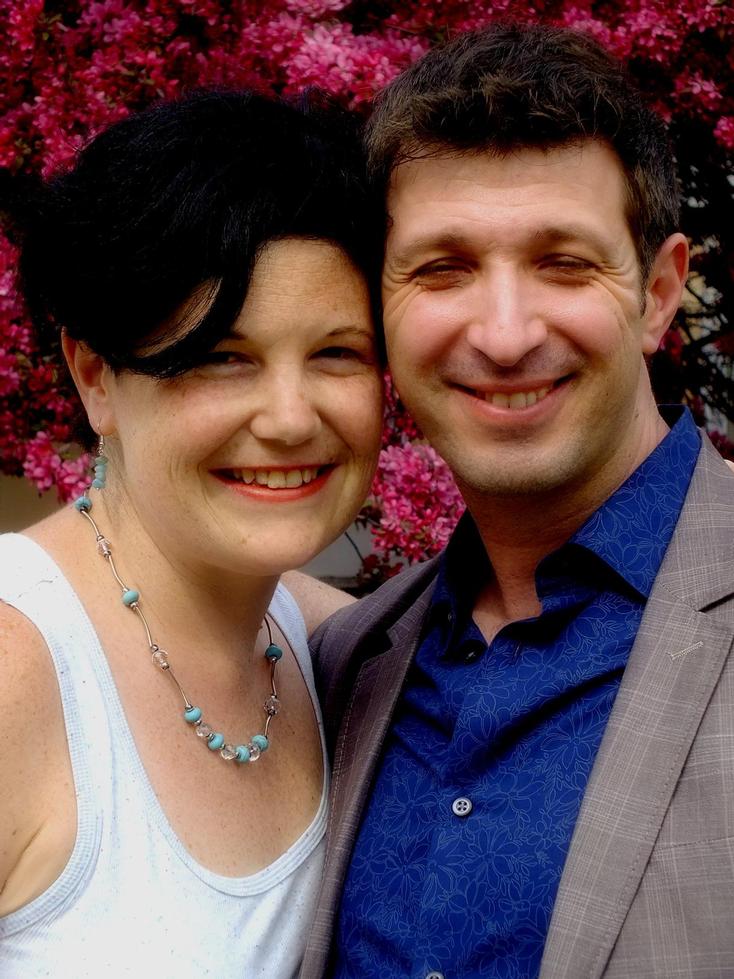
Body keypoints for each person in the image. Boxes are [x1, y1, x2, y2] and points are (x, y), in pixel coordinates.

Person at [300, 23, 734, 979]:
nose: (504, 336)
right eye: (442, 268)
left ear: (659, 292)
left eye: (564, 263)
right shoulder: (347, 663)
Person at [0, 90, 384, 977]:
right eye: (221, 357)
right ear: (95, 376)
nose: (290, 419)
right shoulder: (19, 663)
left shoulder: (344, 651)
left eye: (336, 352)